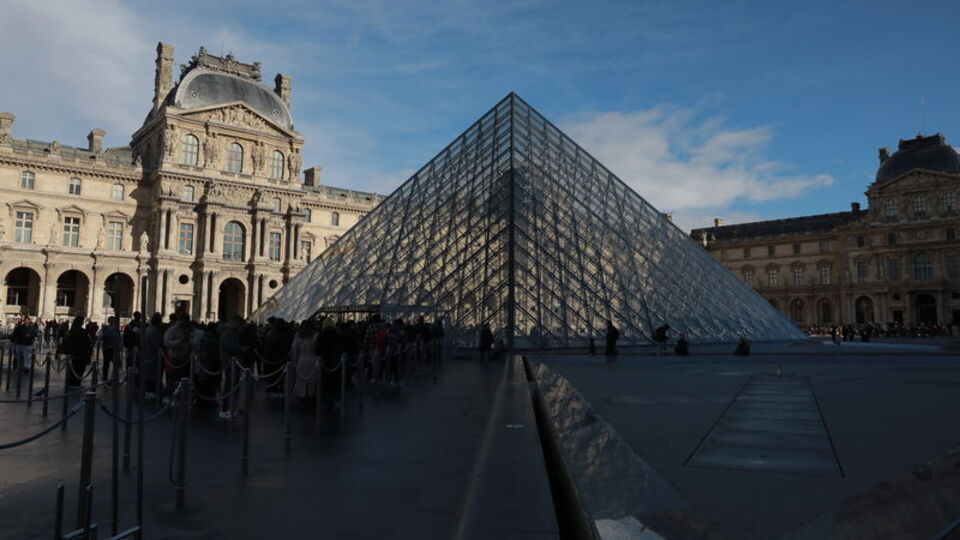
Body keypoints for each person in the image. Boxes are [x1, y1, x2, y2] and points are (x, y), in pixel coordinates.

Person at [218, 315, 246, 420]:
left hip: (230, 362)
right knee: (229, 386)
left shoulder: (229, 333)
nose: (240, 327)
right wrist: (242, 350)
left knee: (231, 385)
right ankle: (226, 409)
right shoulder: (228, 333)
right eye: (240, 324)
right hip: (230, 363)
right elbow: (231, 349)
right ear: (234, 322)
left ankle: (229, 408)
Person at [163, 313, 191, 401]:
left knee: (184, 379)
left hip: (186, 357)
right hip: (175, 357)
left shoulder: (187, 330)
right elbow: (166, 342)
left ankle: (181, 397)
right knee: (173, 378)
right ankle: (171, 395)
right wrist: (180, 342)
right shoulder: (172, 330)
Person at [290, 319, 319, 401]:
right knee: (312, 383)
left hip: (301, 361)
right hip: (313, 361)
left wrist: (295, 363)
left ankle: (301, 397)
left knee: (301, 382)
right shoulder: (316, 336)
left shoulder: (298, 335)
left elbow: (295, 351)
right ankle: (311, 398)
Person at [140, 313, 164, 400]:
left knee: (149, 373)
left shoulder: (149, 329)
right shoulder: (154, 331)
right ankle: (149, 391)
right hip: (152, 355)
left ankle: (149, 390)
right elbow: (157, 344)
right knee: (152, 374)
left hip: (148, 355)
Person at [64, 316, 92, 388]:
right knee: (79, 368)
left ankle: (71, 381)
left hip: (73, 352)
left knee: (74, 367)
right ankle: (76, 383)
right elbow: (87, 342)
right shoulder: (82, 331)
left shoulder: (72, 330)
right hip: (81, 353)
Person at [100, 316, 120, 381]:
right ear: (109, 321)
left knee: (115, 363)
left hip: (113, 348)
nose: (112, 322)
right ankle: (105, 377)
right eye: (111, 321)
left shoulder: (116, 328)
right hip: (107, 348)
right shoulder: (106, 328)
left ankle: (113, 377)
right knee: (106, 364)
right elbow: (103, 337)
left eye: (113, 321)